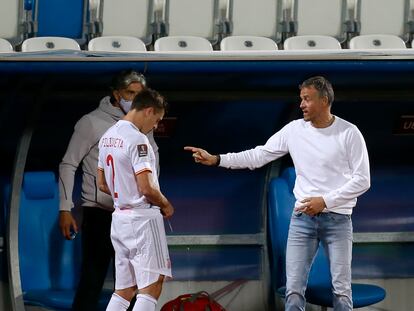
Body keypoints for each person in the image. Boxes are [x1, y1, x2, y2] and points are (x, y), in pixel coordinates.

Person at [184, 76, 370, 311]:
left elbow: (363, 180)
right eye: (300, 99)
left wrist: (324, 201)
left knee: (342, 292)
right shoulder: (294, 130)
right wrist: (217, 159)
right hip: (302, 219)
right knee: (293, 290)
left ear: (324, 101)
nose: (301, 104)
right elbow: (258, 155)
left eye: (307, 99)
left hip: (338, 220)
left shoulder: (349, 133)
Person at [59, 70, 157, 311]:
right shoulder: (91, 122)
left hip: (134, 215)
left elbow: (151, 164)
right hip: (100, 213)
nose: (134, 99)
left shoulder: (144, 123)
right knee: (93, 279)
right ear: (116, 94)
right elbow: (69, 163)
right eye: (129, 93)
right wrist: (65, 208)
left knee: (136, 283)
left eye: (140, 94)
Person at [97, 88, 173, 311]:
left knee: (124, 290)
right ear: (149, 111)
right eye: (157, 120)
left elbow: (101, 184)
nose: (156, 126)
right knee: (152, 285)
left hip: (119, 218)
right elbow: (147, 188)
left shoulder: (107, 136)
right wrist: (166, 204)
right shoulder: (138, 140)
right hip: (142, 219)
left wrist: (124, 193)